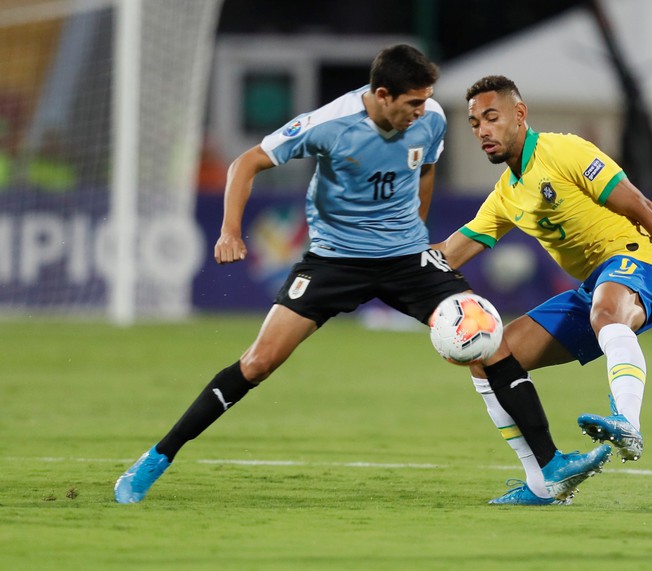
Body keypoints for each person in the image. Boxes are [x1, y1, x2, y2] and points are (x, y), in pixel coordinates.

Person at [114, 47, 610, 505]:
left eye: (426, 100)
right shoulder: (330, 124)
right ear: (382, 95)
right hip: (334, 263)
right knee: (259, 362)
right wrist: (229, 230)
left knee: (489, 339)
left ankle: (550, 465)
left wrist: (417, 230)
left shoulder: (431, 119)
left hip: (405, 260)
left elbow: (427, 167)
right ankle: (156, 458)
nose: (422, 111)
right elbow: (247, 163)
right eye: (412, 103)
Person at [434, 75, 652, 505]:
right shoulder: (506, 195)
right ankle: (544, 482)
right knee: (489, 359)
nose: (483, 130)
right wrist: (384, 267)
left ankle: (628, 421)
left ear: (520, 114)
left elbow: (640, 205)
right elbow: (448, 254)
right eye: (475, 123)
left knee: (605, 312)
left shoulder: (563, 151)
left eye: (492, 117)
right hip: (593, 289)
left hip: (640, 264)